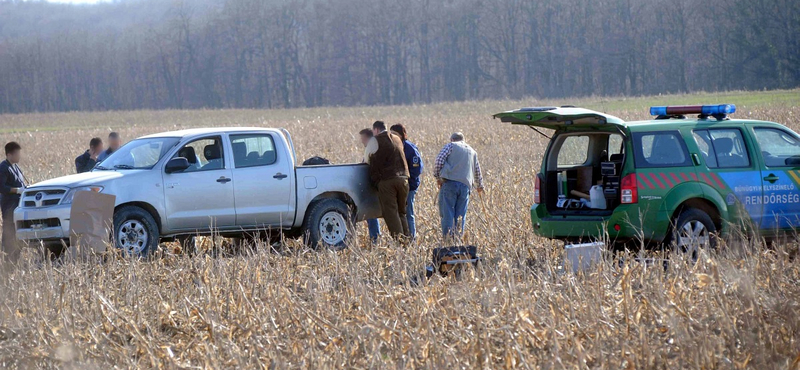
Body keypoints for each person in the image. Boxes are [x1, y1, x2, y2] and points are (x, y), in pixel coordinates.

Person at [364, 121, 410, 239]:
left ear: (376, 130)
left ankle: (400, 241)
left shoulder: (375, 140)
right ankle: (408, 240)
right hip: (404, 179)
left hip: (387, 181)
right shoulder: (397, 138)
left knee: (391, 213)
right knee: (401, 212)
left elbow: (366, 161)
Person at [434, 132, 485, 237]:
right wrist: (480, 186)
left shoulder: (450, 146)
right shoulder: (472, 151)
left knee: (448, 212)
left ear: (452, 139)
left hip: (449, 183)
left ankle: (448, 240)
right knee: (461, 215)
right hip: (465, 186)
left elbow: (439, 161)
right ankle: (458, 240)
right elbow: (477, 170)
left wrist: (437, 177)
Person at [390, 124, 423, 239]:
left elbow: (416, 168)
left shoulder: (410, 148)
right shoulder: (392, 147)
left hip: (409, 186)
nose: (392, 136)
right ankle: (403, 237)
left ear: (402, 135)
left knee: (408, 213)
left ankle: (412, 237)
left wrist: (407, 181)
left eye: (395, 134)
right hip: (398, 186)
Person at [0, 142, 25, 264]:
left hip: (18, 206)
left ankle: (15, 259)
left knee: (18, 234)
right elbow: (2, 187)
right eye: (17, 154)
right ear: (9, 154)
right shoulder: (3, 168)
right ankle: (6, 260)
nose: (19, 157)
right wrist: (17, 190)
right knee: (9, 234)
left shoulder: (16, 167)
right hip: (9, 207)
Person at [359, 128, 381, 243]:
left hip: (374, 185)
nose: (362, 141)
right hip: (374, 184)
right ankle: (375, 238)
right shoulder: (372, 148)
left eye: (363, 139)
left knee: (371, 213)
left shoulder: (372, 149)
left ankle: (375, 239)